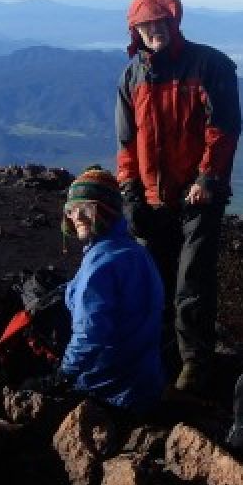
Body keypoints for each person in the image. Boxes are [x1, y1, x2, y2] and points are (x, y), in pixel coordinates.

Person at [115, 0, 242, 393]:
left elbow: (222, 129)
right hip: (153, 198)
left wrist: (207, 179)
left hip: (198, 198)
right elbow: (126, 141)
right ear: (136, 30)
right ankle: (162, 355)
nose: (154, 30)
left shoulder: (209, 66)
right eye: (145, 25)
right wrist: (130, 192)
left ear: (174, 21)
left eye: (160, 22)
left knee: (193, 281)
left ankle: (194, 363)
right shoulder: (133, 75)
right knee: (157, 281)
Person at [29, 167, 166, 413]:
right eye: (71, 210)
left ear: (105, 211)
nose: (77, 217)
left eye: (86, 209)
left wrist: (63, 376)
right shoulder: (137, 252)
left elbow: (90, 335)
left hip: (109, 389)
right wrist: (65, 291)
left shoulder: (101, 264)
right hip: (145, 382)